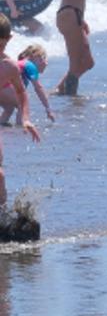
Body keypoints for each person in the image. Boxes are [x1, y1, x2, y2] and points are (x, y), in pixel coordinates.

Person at [0, 16, 41, 206]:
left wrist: (25, 119)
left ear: (9, 39)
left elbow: (22, 94)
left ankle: (3, 218)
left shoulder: (9, 67)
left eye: (1, 44)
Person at [0, 44, 54, 124]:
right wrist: (48, 108)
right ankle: (20, 129)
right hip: (4, 87)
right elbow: (38, 88)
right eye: (43, 58)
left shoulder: (20, 64)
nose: (46, 63)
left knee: (9, 108)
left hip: (3, 88)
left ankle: (2, 125)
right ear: (33, 56)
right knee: (22, 104)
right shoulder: (30, 65)